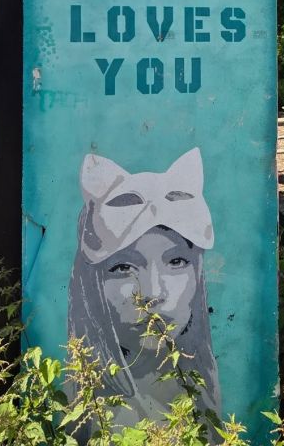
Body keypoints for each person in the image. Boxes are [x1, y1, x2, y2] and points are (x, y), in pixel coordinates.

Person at [68, 148, 220, 423]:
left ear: (197, 273)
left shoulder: (202, 399)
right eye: (123, 268)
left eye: (176, 261)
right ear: (93, 285)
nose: (152, 294)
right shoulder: (87, 413)